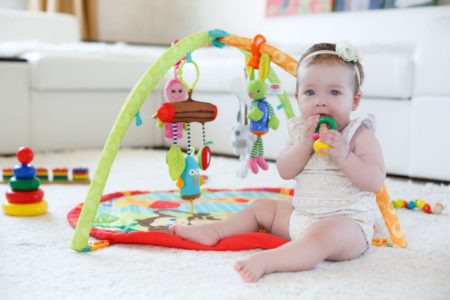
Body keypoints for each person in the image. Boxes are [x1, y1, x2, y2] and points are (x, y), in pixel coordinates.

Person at [170, 42, 386, 283]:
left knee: (324, 234)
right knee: (262, 208)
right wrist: (303, 145)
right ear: (298, 97)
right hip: (300, 218)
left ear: (355, 100)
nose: (320, 102)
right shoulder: (299, 131)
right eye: (310, 92)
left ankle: (270, 261)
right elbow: (285, 170)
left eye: (334, 92)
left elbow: (375, 181)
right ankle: (215, 230)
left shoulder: (359, 134)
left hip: (347, 227)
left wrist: (345, 156)